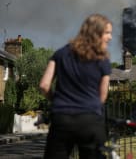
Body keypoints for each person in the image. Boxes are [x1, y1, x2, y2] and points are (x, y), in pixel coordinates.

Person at [39, 13, 112, 159]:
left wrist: (56, 101)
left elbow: (44, 85)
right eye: (107, 33)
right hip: (90, 121)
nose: (110, 37)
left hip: (62, 120)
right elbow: (102, 96)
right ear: (95, 33)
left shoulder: (60, 54)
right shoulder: (102, 59)